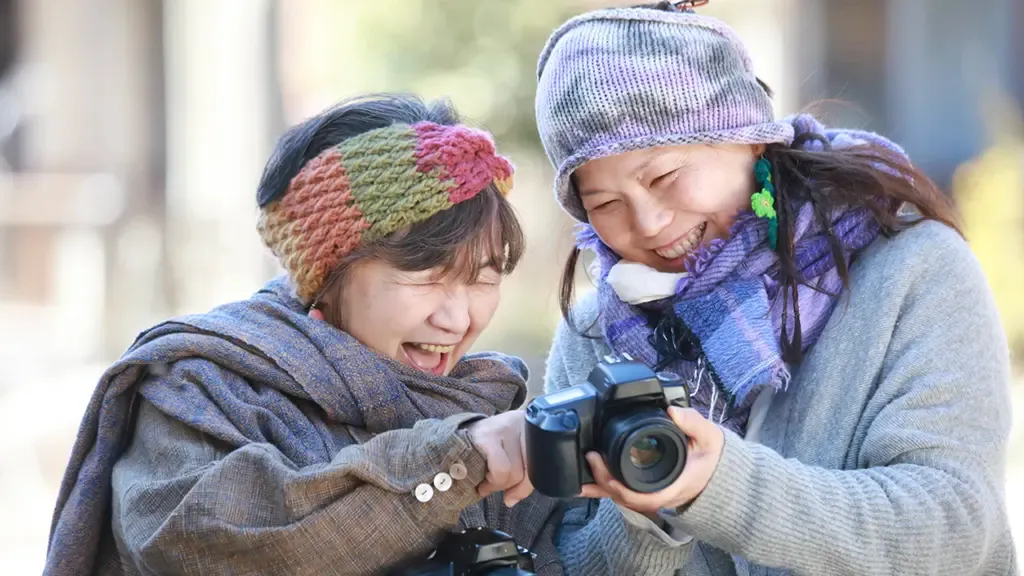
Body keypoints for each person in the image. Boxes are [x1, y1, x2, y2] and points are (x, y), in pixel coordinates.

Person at [534, 2, 1018, 575]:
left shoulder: (913, 272)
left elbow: (956, 530)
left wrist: (722, 488)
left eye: (663, 176)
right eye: (605, 205)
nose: (648, 225)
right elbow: (563, 561)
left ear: (750, 138)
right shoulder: (596, 335)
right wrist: (645, 514)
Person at [45, 94, 555, 576]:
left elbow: (569, 549)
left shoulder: (485, 406)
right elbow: (201, 540)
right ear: (329, 275)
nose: (458, 319)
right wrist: (455, 462)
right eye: (425, 277)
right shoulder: (202, 387)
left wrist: (631, 512)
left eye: (482, 279)